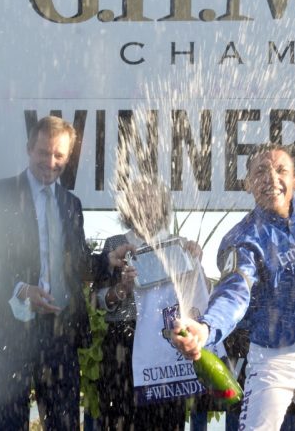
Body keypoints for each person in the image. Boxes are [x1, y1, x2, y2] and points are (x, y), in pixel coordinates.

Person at [171, 143, 295, 431]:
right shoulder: (243, 238)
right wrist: (207, 329)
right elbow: (235, 290)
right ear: (248, 184)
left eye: (281, 170)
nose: (272, 178)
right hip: (272, 361)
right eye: (261, 171)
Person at [0, 116, 125, 430]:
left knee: (65, 424)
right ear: (29, 149)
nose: (51, 163)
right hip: (10, 330)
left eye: (59, 156)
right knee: (3, 424)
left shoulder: (71, 205)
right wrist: (22, 290)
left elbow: (78, 265)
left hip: (60, 334)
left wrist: (109, 260)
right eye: (44, 153)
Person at [94, 178, 209, 431]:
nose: (146, 207)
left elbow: (197, 298)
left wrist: (196, 259)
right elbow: (99, 300)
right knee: (117, 420)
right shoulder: (115, 244)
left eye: (152, 201)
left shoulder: (179, 244)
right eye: (139, 201)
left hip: (164, 347)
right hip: (122, 346)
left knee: (166, 422)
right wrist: (122, 289)